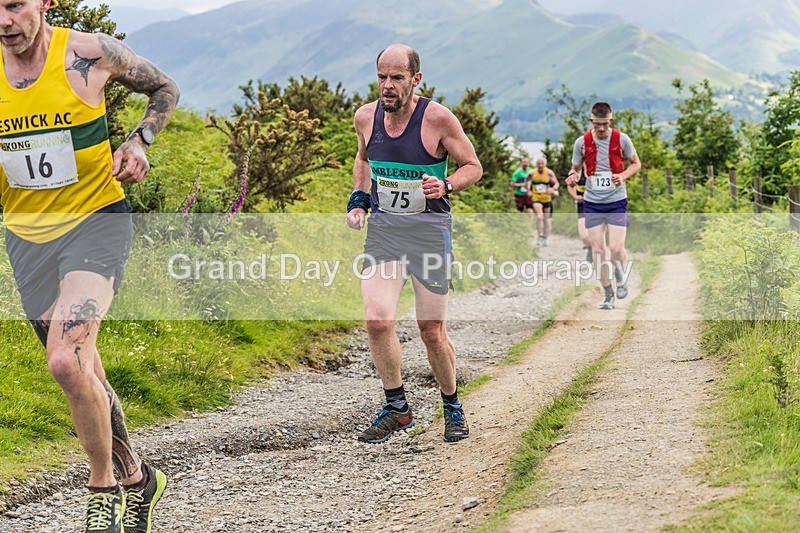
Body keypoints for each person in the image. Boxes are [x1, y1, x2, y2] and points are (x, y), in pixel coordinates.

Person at [0, 1, 179, 531]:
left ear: (44, 4)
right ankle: (138, 477)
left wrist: (140, 140)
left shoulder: (87, 53)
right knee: (84, 370)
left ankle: (103, 492)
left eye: (14, 5)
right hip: (26, 237)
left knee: (64, 360)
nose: (4, 19)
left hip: (95, 222)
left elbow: (164, 88)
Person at [346, 44, 482, 444]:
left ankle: (452, 405)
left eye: (397, 78)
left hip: (428, 233)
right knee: (376, 319)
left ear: (416, 79)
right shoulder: (365, 117)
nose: (387, 86)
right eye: (382, 78)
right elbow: (364, 160)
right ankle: (397, 407)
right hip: (386, 231)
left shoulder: (437, 119)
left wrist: (446, 184)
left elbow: (473, 166)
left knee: (431, 331)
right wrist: (359, 201)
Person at [566, 102, 640, 310]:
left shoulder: (622, 139)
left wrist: (623, 175)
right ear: (592, 121)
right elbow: (576, 168)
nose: (600, 128)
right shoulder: (582, 142)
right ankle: (608, 293)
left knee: (616, 249)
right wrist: (573, 177)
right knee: (598, 251)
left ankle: (620, 276)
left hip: (616, 201)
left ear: (610, 121)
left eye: (604, 124)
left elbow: (636, 163)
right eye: (597, 124)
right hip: (593, 203)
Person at [529, 157, 559, 246]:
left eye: (542, 163)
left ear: (545, 164)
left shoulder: (549, 173)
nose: (540, 165)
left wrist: (552, 189)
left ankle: (545, 238)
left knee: (546, 220)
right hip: (536, 198)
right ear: (536, 164)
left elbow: (557, 183)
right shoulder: (532, 173)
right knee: (539, 216)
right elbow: (526, 180)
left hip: (546, 199)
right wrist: (528, 190)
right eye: (539, 163)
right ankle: (539, 237)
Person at [566, 166, 593, 261]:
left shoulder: (598, 168)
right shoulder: (577, 171)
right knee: (585, 237)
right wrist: (575, 196)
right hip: (582, 205)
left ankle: (596, 252)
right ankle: (590, 248)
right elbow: (570, 185)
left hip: (597, 205)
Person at [509, 156, 534, 228]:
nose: (525, 164)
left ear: (529, 163)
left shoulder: (531, 171)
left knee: (530, 211)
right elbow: (512, 184)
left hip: (529, 194)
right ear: (521, 163)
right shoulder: (517, 172)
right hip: (519, 194)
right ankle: (520, 227)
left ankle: (530, 227)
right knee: (520, 212)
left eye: (527, 162)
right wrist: (523, 184)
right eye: (524, 162)